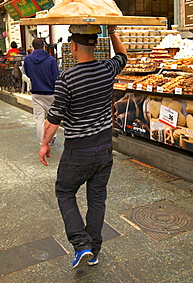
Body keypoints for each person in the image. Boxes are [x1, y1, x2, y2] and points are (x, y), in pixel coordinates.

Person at [39, 25, 127, 269]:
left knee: (65, 192)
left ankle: (81, 244)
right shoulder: (107, 69)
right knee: (97, 199)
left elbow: (55, 118)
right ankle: (94, 251)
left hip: (78, 151)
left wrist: (44, 144)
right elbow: (123, 56)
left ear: (73, 46)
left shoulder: (67, 78)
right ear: (96, 45)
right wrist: (112, 32)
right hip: (104, 149)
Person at [24, 38, 59, 144]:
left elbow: (28, 73)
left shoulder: (28, 59)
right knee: (51, 117)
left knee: (39, 119)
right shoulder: (51, 59)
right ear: (44, 46)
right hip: (51, 92)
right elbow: (56, 77)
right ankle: (52, 138)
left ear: (33, 47)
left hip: (36, 92)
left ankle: (42, 142)